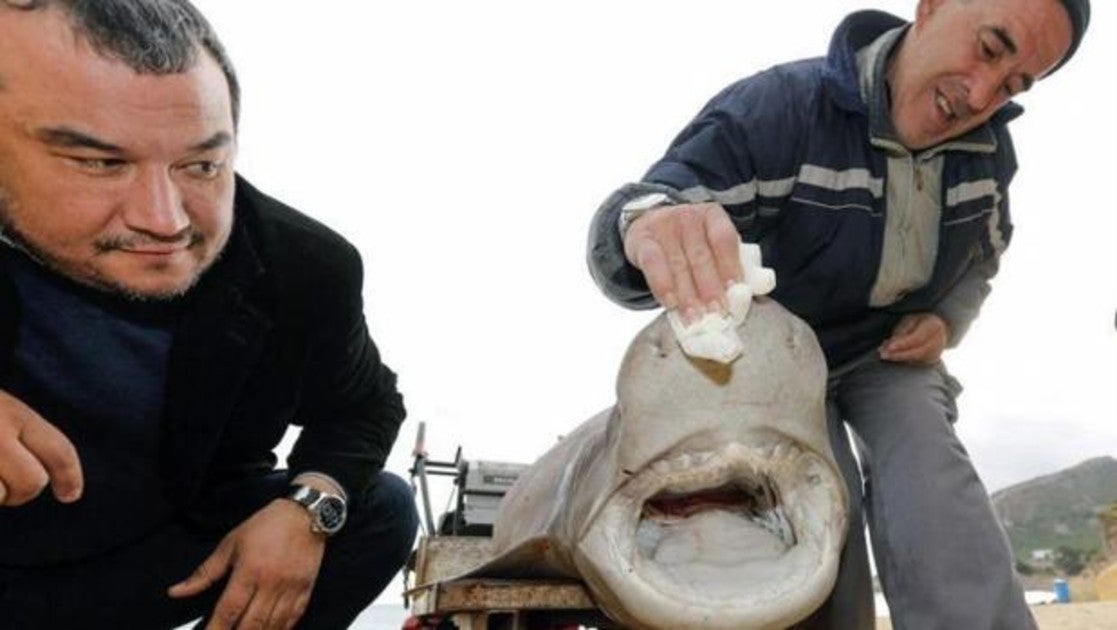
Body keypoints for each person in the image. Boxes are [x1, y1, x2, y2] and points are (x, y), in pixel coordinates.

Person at [587, 0, 1089, 627]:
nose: (982, 94)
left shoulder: (991, 158)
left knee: (927, 465)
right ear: (930, 6)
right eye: (990, 48)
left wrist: (948, 322)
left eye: (1015, 85)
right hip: (778, 359)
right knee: (820, 499)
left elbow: (985, 258)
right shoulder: (777, 111)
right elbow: (656, 201)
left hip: (889, 354)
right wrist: (648, 224)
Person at [0, 1, 418, 628]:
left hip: (158, 551)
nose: (164, 220)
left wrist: (308, 509)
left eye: (201, 165)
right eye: (100, 163)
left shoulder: (302, 266)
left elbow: (364, 405)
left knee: (381, 507)